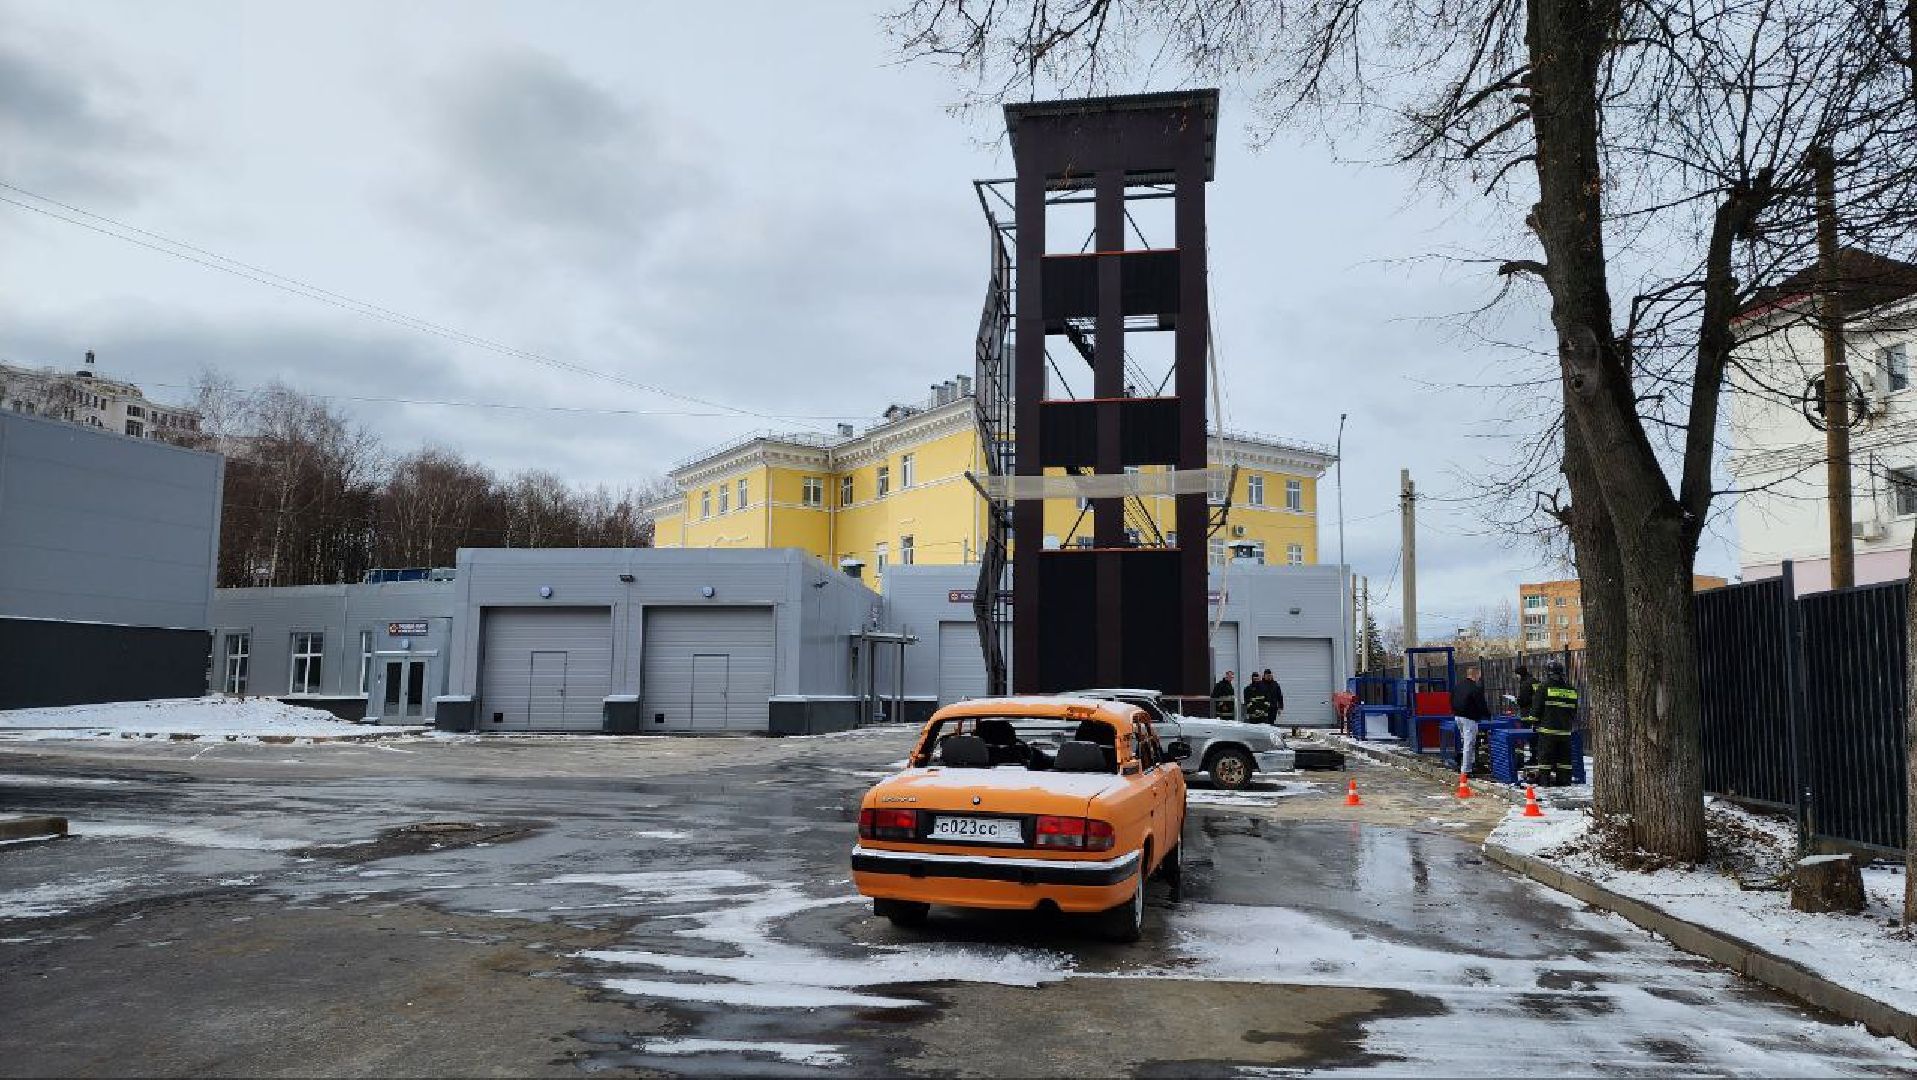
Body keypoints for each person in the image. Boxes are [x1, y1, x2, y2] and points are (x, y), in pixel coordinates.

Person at [1534, 660, 1579, 786]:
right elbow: (1574, 710)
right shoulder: (1571, 689)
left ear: (1548, 672)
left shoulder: (1544, 687)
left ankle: (1544, 782)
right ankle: (1564, 782)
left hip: (1547, 731)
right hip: (1565, 731)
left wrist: (1533, 721)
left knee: (1545, 757)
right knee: (1564, 759)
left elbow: (1536, 709)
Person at [1451, 665, 1491, 776]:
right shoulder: (1475, 688)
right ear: (1476, 675)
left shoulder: (1458, 686)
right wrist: (1488, 716)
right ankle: (1466, 770)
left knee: (1466, 742)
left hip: (1458, 717)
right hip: (1469, 718)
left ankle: (1470, 764)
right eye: (1479, 675)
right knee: (1469, 744)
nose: (1479, 677)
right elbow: (1481, 705)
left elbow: (1452, 699)